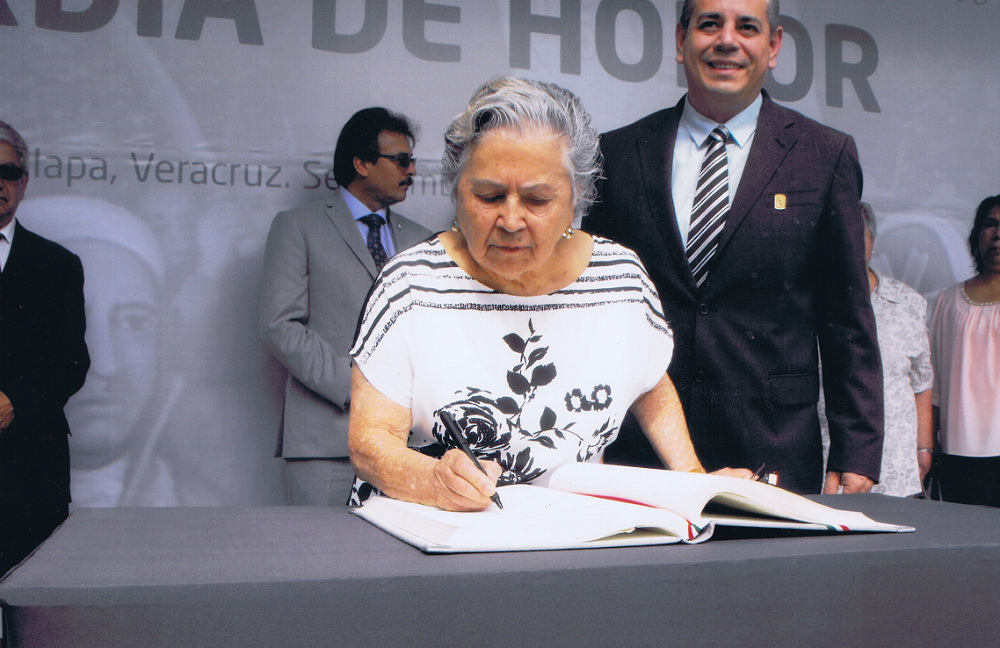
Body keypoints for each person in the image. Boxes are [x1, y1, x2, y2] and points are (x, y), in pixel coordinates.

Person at [347, 77, 751, 511]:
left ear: (577, 198)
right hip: (429, 527)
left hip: (568, 528)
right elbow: (370, 440)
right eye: (489, 196)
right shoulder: (411, 284)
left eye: (538, 200)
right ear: (457, 190)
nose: (511, 220)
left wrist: (692, 476)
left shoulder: (619, 276)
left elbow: (650, 382)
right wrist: (432, 481)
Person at [584, 0, 883, 495]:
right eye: (709, 24)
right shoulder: (617, 154)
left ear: (774, 46)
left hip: (773, 443)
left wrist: (857, 451)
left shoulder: (825, 155)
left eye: (747, 27)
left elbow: (846, 319)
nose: (727, 40)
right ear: (680, 41)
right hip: (644, 448)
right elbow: (594, 307)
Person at [260, 107, 430, 505]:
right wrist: (360, 388)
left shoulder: (424, 240)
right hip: (325, 442)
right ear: (362, 164)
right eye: (400, 160)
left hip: (408, 446)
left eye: (412, 161)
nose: (411, 171)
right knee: (320, 547)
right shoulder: (297, 227)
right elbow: (280, 326)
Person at [0, 121, 89, 574]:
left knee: (31, 606)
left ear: (24, 181)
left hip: (32, 467)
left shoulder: (57, 265)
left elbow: (72, 361)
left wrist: (14, 399)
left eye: (7, 172)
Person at [821, 203, 933, 497]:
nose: (849, 246)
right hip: (832, 468)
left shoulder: (908, 302)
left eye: (858, 236)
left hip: (896, 465)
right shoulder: (810, 303)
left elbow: (921, 382)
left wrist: (924, 448)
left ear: (873, 240)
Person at [929, 194, 1000, 507]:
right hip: (957, 448)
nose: (997, 235)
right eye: (990, 225)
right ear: (977, 234)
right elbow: (933, 381)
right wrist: (929, 445)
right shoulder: (949, 301)